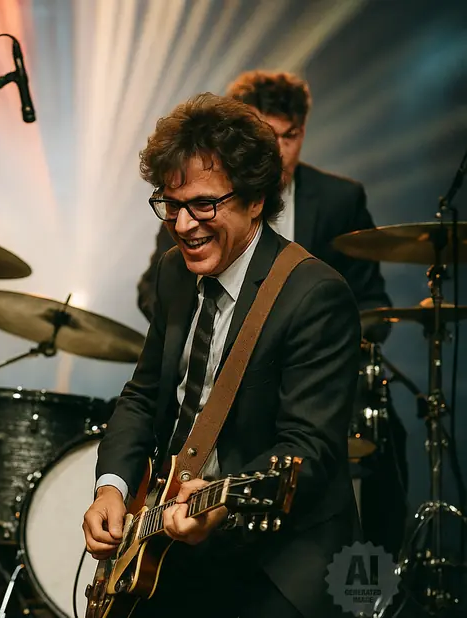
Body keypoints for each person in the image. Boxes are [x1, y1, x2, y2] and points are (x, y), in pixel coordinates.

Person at [84, 93, 361, 617]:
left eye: (204, 204)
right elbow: (142, 396)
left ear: (256, 199)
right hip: (175, 540)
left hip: (275, 557)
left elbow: (309, 450)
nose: (185, 224)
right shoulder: (173, 272)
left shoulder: (314, 294)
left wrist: (223, 501)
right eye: (171, 204)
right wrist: (111, 488)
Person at [135, 71, 391, 342]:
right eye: (265, 134)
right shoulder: (191, 200)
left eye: (289, 136)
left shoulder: (340, 200)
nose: (278, 151)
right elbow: (156, 288)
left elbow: (370, 302)